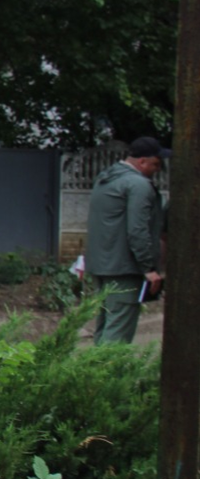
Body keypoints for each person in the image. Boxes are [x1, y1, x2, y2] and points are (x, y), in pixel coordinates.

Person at [85, 136, 167, 345]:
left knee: (104, 326)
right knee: (118, 332)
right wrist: (148, 267)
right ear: (142, 162)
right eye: (156, 164)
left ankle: (93, 374)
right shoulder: (138, 185)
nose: (157, 170)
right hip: (124, 269)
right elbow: (138, 230)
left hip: (100, 266)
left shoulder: (106, 178)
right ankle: (107, 376)